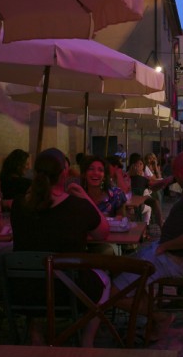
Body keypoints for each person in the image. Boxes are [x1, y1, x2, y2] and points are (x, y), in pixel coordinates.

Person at [110, 151, 183, 342]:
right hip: (171, 255)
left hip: (172, 258)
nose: (175, 178)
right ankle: (151, 320)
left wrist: (165, 245)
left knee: (114, 292)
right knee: (129, 266)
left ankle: (160, 318)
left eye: (176, 174)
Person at [10, 148, 109, 346]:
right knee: (105, 279)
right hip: (68, 292)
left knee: (37, 273)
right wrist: (85, 197)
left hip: (23, 291)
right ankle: (86, 342)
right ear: (64, 173)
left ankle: (36, 332)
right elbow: (103, 233)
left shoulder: (19, 205)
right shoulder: (77, 206)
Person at [127, 153, 173, 227]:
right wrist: (167, 180)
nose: (142, 166)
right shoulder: (142, 179)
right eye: (140, 164)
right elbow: (154, 184)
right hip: (137, 206)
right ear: (136, 165)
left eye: (142, 164)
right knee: (154, 202)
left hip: (128, 205)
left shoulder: (126, 176)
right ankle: (150, 226)